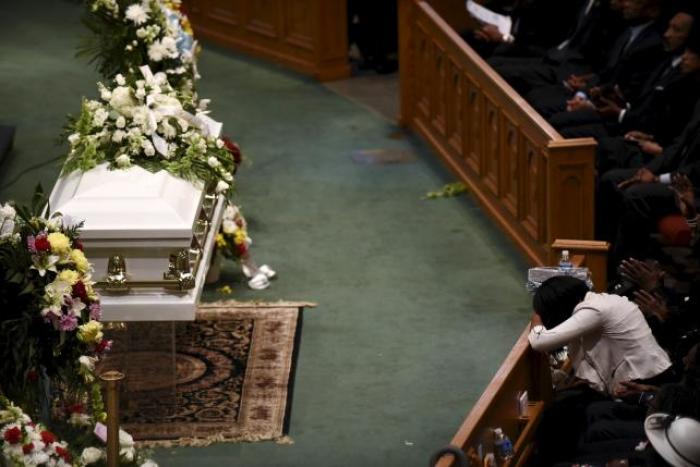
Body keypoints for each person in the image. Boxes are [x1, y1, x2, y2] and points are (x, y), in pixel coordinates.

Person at [529, 276, 672, 395]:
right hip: (655, 376)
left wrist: (537, 315)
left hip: (646, 383)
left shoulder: (594, 309)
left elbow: (539, 341)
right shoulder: (606, 300)